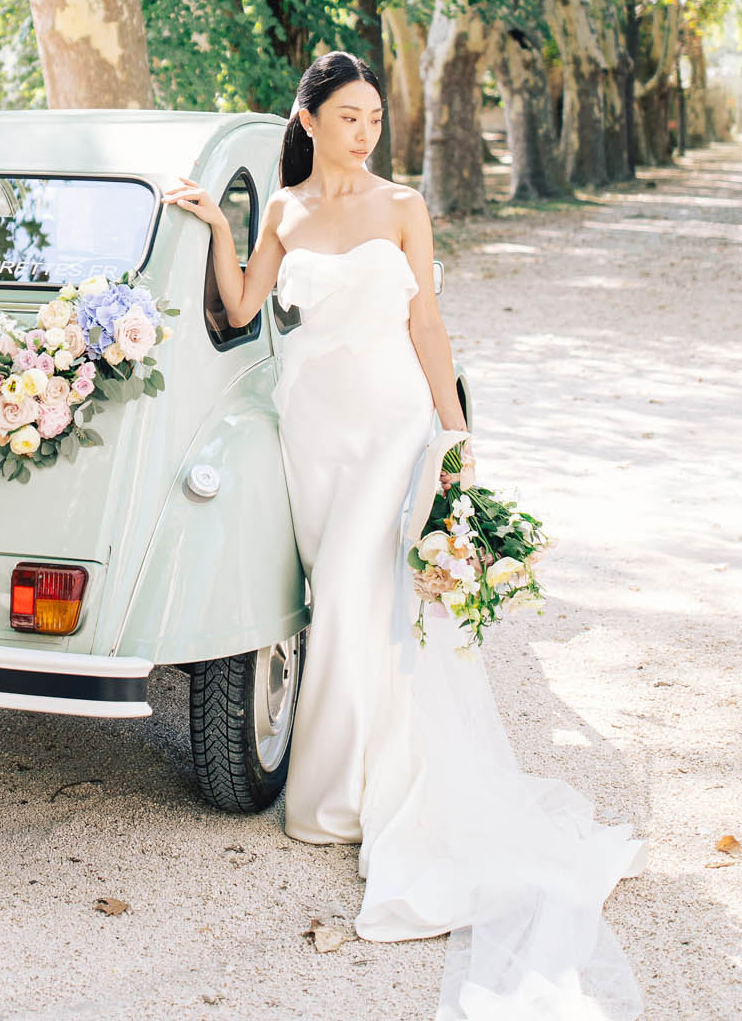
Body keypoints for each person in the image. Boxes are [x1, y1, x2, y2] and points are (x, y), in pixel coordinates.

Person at [161, 49, 646, 1021]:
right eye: (347, 114)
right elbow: (247, 305)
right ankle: (346, 770)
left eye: (374, 114)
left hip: (388, 420)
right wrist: (219, 224)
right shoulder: (287, 214)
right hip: (311, 425)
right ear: (306, 119)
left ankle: (339, 797)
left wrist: (451, 431)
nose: (365, 129)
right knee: (335, 594)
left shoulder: (402, 205)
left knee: (353, 592)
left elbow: (426, 321)